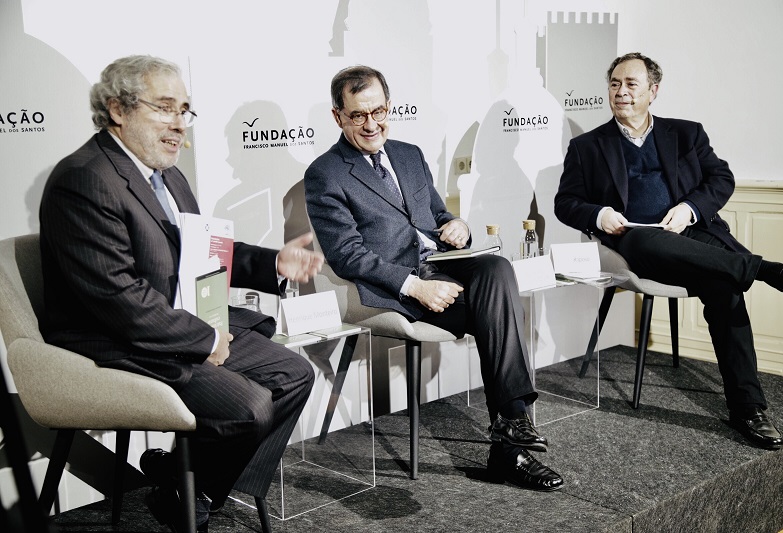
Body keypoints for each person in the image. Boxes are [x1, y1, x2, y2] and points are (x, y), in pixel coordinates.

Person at [39, 55, 324, 531]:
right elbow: (118, 299)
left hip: (178, 322)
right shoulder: (84, 179)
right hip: (115, 341)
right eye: (165, 108)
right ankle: (191, 493)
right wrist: (206, 340)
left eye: (184, 110)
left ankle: (189, 487)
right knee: (247, 409)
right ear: (118, 110)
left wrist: (272, 262)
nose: (179, 124)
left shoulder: (167, 173)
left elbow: (203, 250)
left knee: (293, 374)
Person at [304, 65, 563, 491]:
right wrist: (416, 287)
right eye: (358, 115)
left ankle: (512, 425)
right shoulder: (325, 173)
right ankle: (510, 444)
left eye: (378, 111)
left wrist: (456, 225)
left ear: (389, 106)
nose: (371, 124)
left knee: (498, 269)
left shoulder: (409, 154)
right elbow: (346, 255)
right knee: (495, 310)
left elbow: (438, 215)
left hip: (442, 263)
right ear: (338, 117)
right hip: (395, 285)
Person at [555, 52, 783, 450]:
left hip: (693, 235)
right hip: (635, 243)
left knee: (725, 288)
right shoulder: (587, 146)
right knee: (645, 239)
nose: (621, 92)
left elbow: (721, 178)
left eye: (631, 84)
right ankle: (768, 271)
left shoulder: (686, 134)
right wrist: (600, 215)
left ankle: (749, 409)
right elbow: (565, 203)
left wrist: (689, 209)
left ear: (653, 91)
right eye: (614, 84)